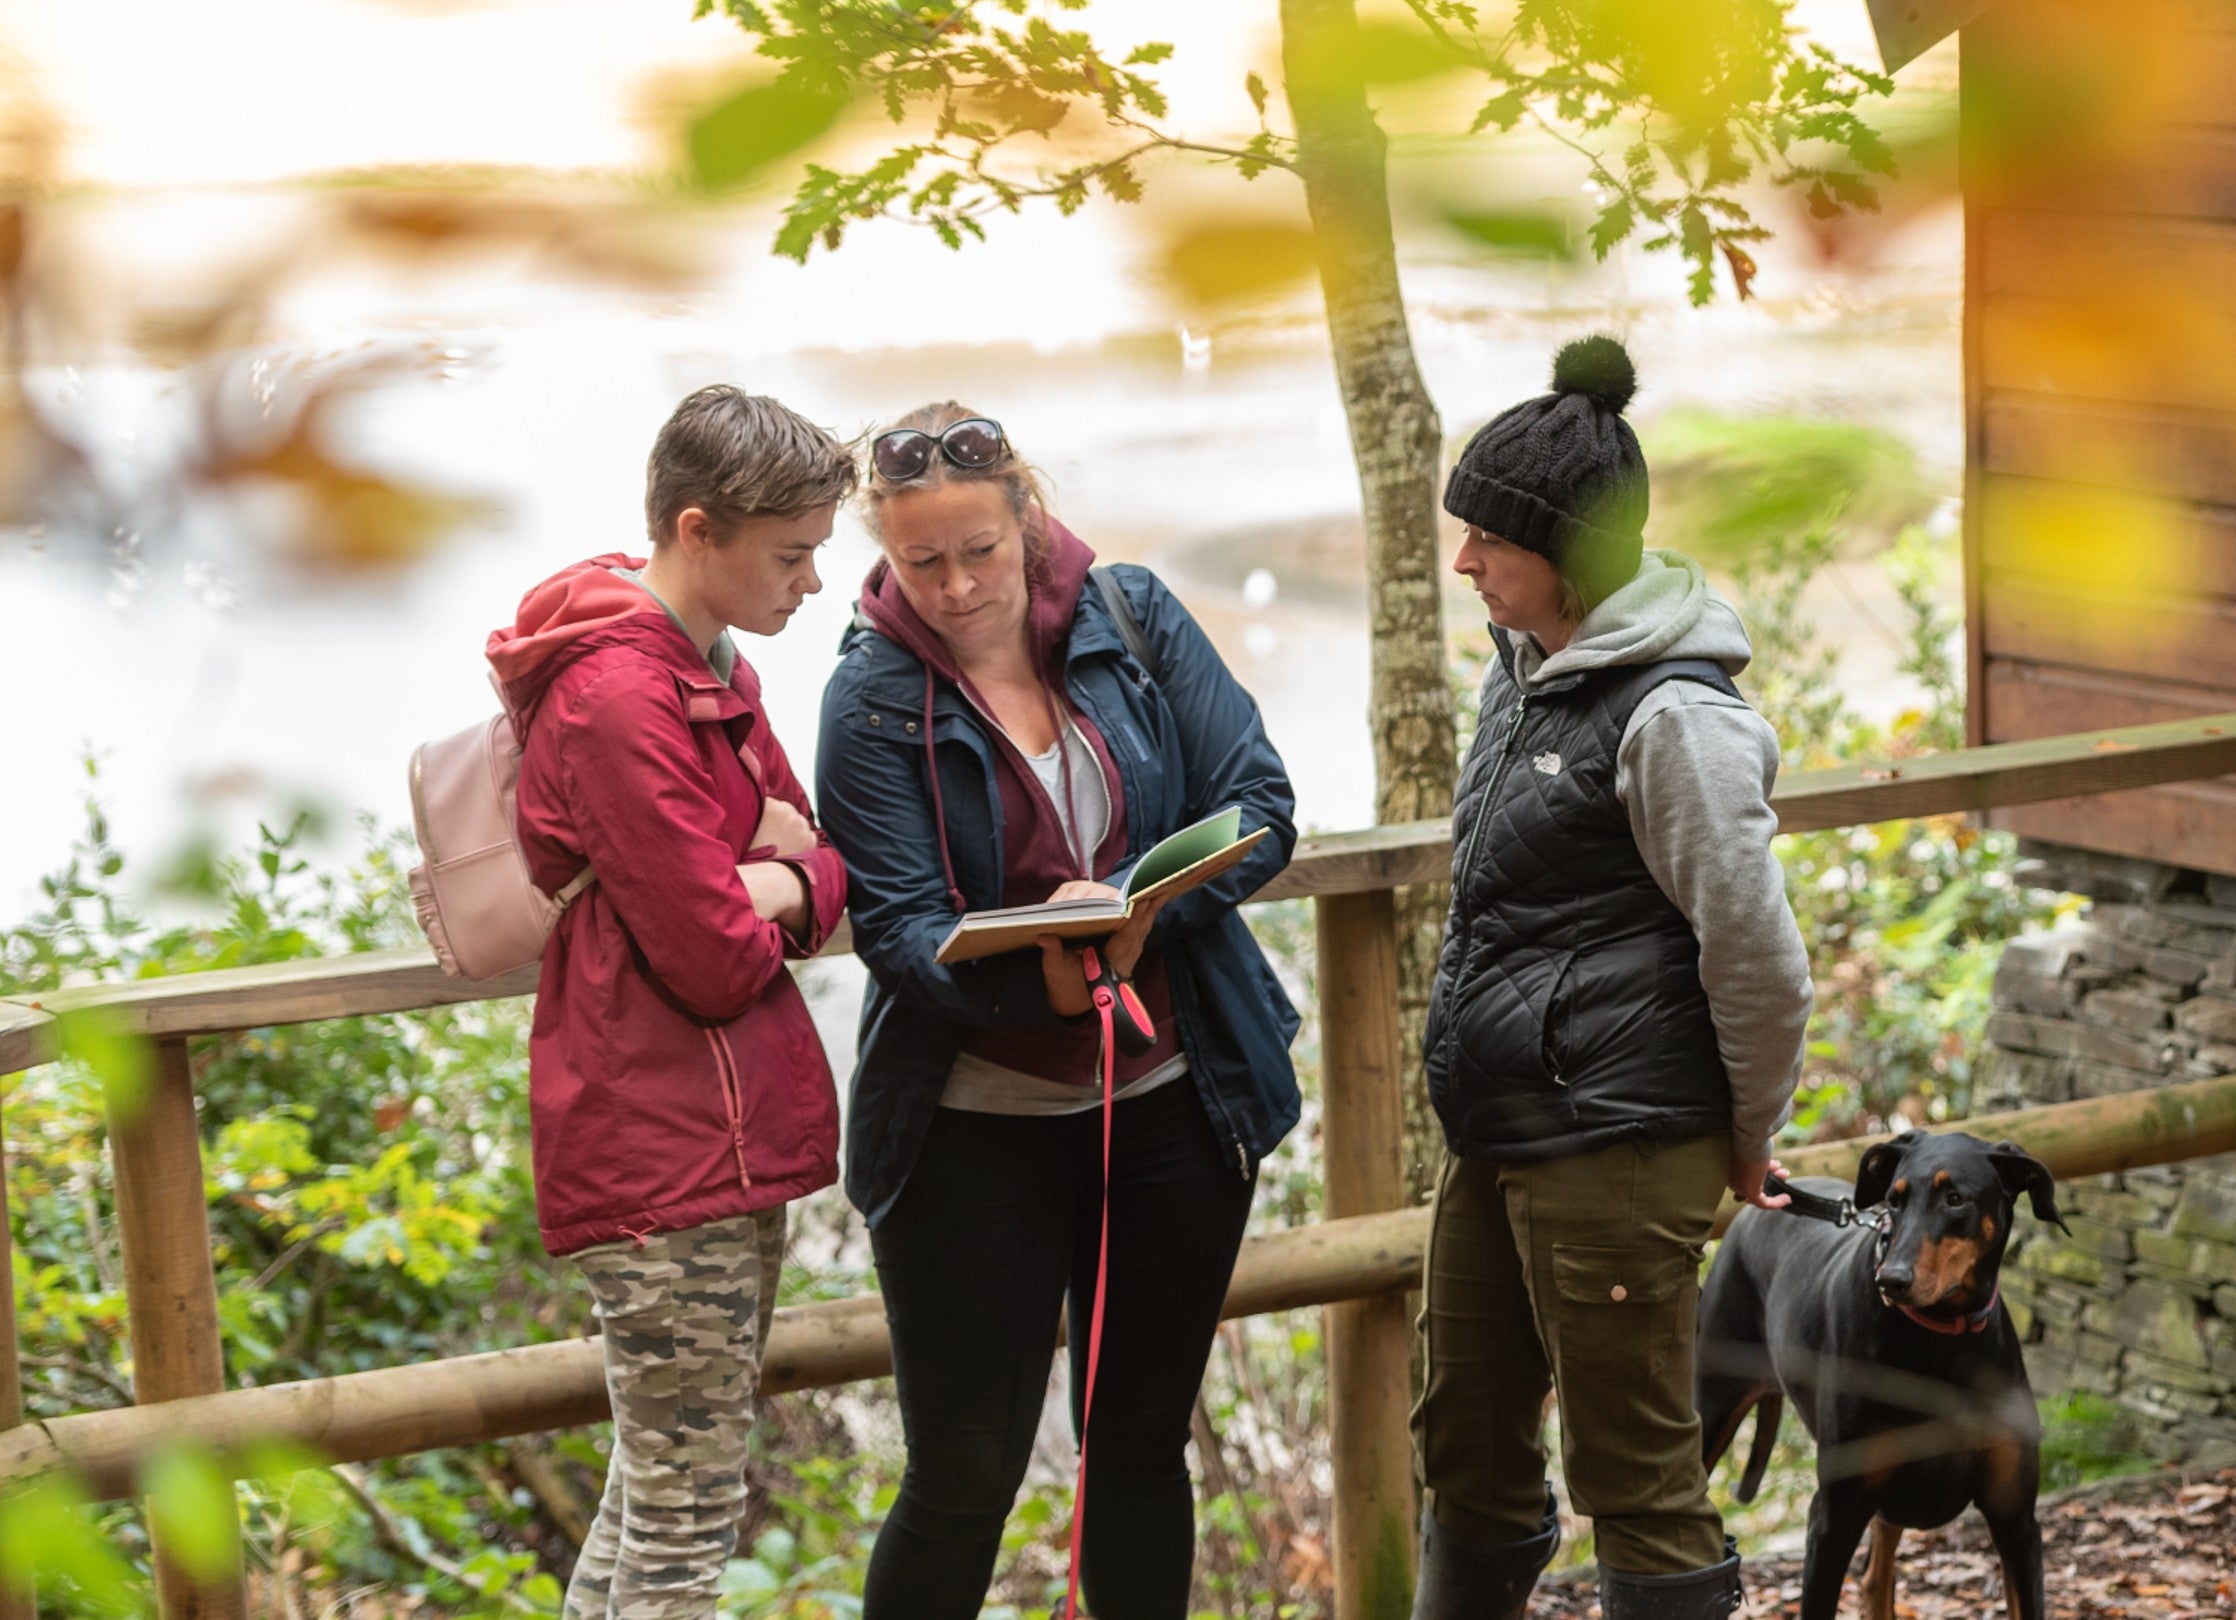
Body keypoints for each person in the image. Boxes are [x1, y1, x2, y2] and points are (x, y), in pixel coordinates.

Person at [813, 403, 1302, 1618]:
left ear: (1027, 518)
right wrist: (1024, 976)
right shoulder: (868, 696)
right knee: (963, 1476)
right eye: (921, 561)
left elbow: (1258, 801)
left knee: (1138, 1449)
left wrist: (1144, 916)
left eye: (979, 549)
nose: (956, 586)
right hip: (974, 1128)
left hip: (1172, 1105)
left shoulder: (1129, 615)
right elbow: (900, 926)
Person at [1411, 336, 1814, 1620]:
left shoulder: (1676, 718)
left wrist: (1747, 1134)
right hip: (1502, 1128)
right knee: (1463, 1441)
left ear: (1571, 553)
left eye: (1489, 538)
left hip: (1623, 1140)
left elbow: (1756, 955)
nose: (1464, 561)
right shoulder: (1525, 668)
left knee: (1633, 1471)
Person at [486, 383, 857, 1619]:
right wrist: (774, 879)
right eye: (791, 554)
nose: (813, 581)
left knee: (659, 1501)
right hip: (659, 1140)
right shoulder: (616, 697)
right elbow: (712, 959)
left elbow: (816, 847)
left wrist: (779, 876)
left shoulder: (710, 663)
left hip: (719, 1134)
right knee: (685, 1524)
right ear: (698, 531)